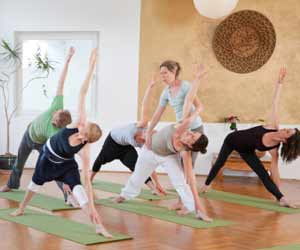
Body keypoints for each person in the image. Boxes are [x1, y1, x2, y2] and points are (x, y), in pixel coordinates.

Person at [11, 49, 112, 237]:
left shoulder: (85, 149)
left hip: (66, 166)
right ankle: (21, 208)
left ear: (85, 136)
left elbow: (87, 181)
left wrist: (92, 205)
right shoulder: (78, 123)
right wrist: (91, 66)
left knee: (80, 192)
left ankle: (98, 226)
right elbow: (83, 92)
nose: (83, 123)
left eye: (85, 127)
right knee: (34, 186)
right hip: (47, 159)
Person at [114, 65, 212, 221]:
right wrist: (149, 133)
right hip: (149, 152)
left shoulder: (184, 150)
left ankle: (194, 209)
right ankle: (124, 196)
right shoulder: (183, 125)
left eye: (192, 136)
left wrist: (199, 208)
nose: (190, 133)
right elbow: (187, 103)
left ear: (190, 146)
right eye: (193, 132)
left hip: (166, 157)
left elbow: (191, 180)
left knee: (181, 182)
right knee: (137, 178)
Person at [200, 67, 300, 208]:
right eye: (288, 128)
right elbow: (275, 104)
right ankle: (206, 185)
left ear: (285, 140)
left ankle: (281, 199)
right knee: (219, 163)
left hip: (246, 151)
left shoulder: (273, 149)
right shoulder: (273, 125)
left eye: (287, 132)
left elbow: (275, 173)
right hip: (232, 140)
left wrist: (280, 195)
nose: (285, 129)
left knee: (262, 173)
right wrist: (279, 83)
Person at [0, 47, 74, 203]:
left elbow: (61, 156)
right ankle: (11, 185)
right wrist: (67, 60)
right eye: (57, 110)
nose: (55, 110)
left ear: (56, 122)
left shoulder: (54, 134)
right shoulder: (57, 107)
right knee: (19, 161)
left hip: (42, 144)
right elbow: (61, 82)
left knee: (55, 168)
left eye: (56, 113)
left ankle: (67, 194)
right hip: (28, 135)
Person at [90, 76, 165, 195]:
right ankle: (90, 178)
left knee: (137, 166)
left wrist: (158, 184)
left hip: (126, 148)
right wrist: (150, 88)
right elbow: (144, 106)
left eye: (150, 135)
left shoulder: (145, 144)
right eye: (150, 131)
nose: (148, 133)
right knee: (101, 159)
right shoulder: (142, 125)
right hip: (113, 141)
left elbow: (149, 164)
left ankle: (153, 189)